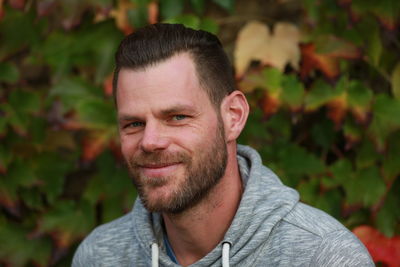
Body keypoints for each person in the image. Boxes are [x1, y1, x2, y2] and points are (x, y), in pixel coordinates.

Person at [72, 23, 373, 267]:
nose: (150, 141)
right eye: (134, 124)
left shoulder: (322, 257)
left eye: (177, 116)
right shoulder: (98, 256)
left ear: (234, 117)